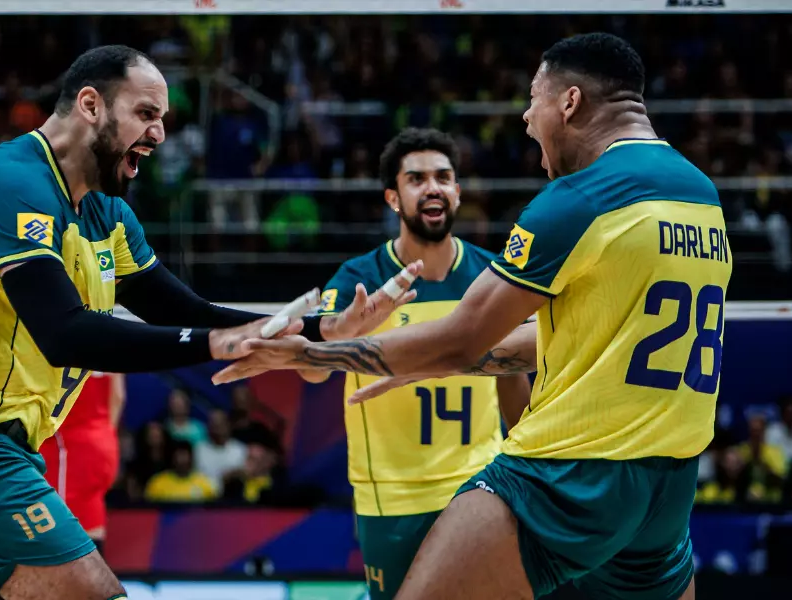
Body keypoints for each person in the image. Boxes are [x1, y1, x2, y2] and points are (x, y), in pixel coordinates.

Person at [0, 45, 419, 600]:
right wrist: (215, 344)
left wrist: (324, 328)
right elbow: (66, 334)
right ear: (91, 105)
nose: (160, 134)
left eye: (162, 119)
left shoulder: (107, 212)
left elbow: (185, 312)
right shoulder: (14, 180)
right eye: (146, 114)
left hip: (2, 446)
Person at [213, 33, 733, 600]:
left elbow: (459, 340)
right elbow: (590, 336)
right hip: (669, 481)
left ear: (570, 102)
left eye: (534, 100)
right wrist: (444, 362)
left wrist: (310, 352)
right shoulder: (700, 193)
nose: (528, 121)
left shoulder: (580, 199)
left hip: (570, 474)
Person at [297, 127, 532, 599]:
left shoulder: (493, 276)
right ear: (393, 198)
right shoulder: (359, 278)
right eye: (417, 178)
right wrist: (342, 329)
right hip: (394, 497)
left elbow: (512, 376)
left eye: (444, 177)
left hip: (482, 484)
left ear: (458, 192)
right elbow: (312, 369)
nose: (433, 188)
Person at [39, 372, 125, 553]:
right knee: (90, 508)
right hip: (104, 439)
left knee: (61, 523)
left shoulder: (65, 346)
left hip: (71, 444)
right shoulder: (111, 344)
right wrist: (107, 434)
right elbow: (118, 396)